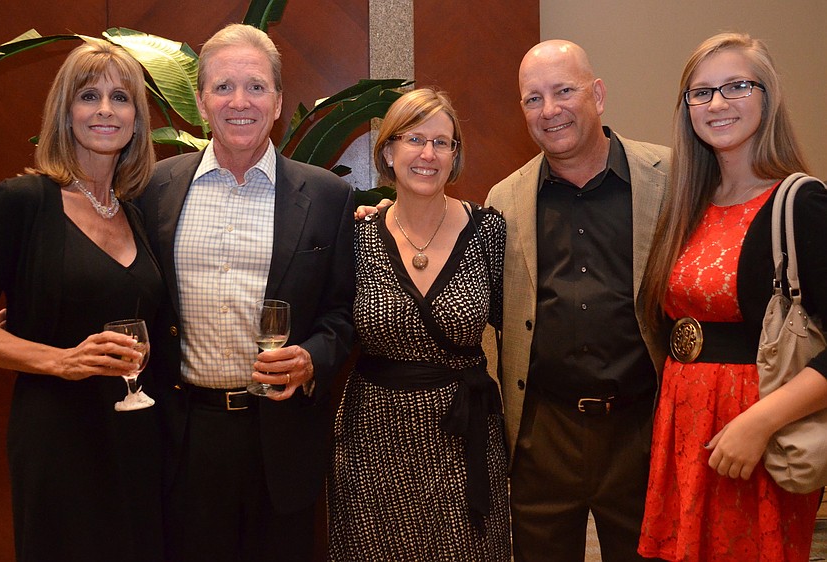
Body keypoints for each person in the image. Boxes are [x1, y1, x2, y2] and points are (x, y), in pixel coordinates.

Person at [135, 24, 355, 562]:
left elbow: (344, 315)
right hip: (184, 438)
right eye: (224, 87)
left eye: (256, 87)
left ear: (278, 101)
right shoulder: (153, 189)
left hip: (282, 441)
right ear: (200, 101)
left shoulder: (329, 197)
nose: (240, 101)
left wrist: (311, 359)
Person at [637, 32, 827, 561]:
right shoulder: (686, 205)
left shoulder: (800, 202)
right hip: (682, 430)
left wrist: (758, 423)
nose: (717, 103)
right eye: (701, 92)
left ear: (768, 99)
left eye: (737, 86)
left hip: (757, 439)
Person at [0, 40, 164, 561]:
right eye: (88, 96)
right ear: (66, 112)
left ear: (136, 120)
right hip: (58, 438)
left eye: (120, 98)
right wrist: (60, 360)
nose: (105, 110)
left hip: (134, 434)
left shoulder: (135, 212)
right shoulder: (22, 203)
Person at [484, 40, 671, 561]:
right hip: (544, 433)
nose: (550, 110)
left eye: (564, 91)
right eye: (533, 99)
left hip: (641, 429)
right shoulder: (505, 199)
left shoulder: (669, 178)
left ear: (598, 94)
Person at [328, 88, 510, 560]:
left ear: (454, 155)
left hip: (464, 435)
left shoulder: (489, 231)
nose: (428, 154)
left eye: (442, 142)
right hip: (374, 441)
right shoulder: (357, 237)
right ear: (388, 151)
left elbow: (522, 330)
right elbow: (329, 323)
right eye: (414, 139)